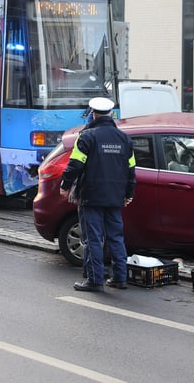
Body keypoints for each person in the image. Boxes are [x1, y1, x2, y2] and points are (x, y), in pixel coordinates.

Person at [60, 97, 136, 292]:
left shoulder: (87, 136)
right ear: (111, 114)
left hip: (91, 195)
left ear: (93, 114)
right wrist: (129, 193)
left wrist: (65, 185)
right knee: (115, 237)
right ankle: (119, 277)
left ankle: (94, 280)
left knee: (93, 239)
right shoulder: (125, 139)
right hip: (115, 196)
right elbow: (131, 170)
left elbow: (75, 164)